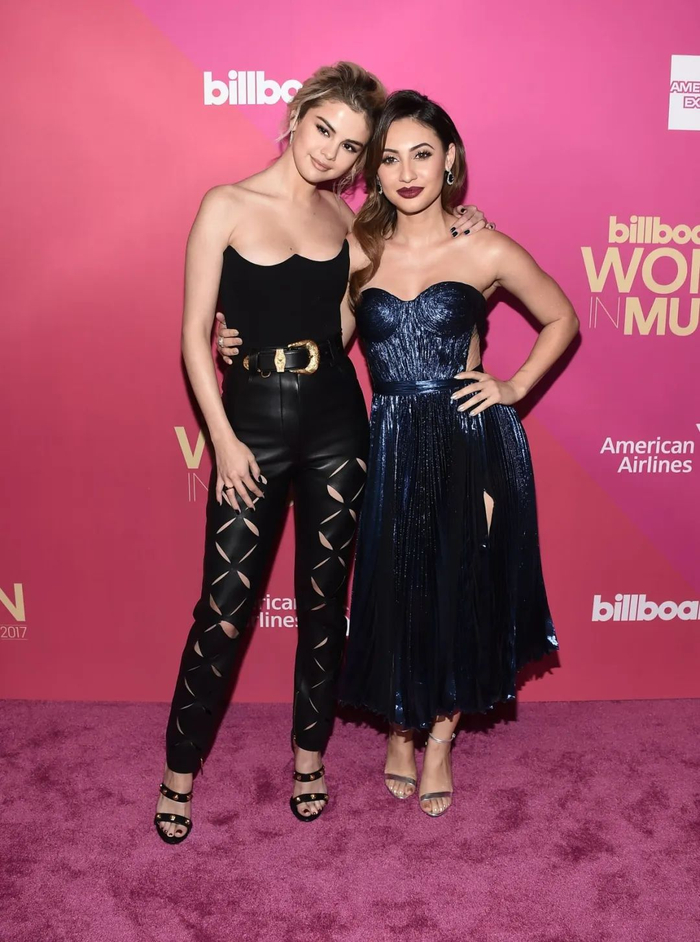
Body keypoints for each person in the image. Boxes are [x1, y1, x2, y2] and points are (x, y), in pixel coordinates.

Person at [217, 90, 577, 820]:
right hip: (388, 442)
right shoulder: (361, 248)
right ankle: (400, 728)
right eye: (388, 158)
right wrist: (237, 338)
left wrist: (511, 387)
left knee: (459, 586)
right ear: (373, 171)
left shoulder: (485, 247)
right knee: (398, 586)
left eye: (422, 155)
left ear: (450, 161)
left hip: (468, 438)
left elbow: (562, 317)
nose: (406, 173)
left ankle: (440, 736)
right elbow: (320, 336)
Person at [155, 64, 487, 844]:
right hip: (249, 426)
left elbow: (361, 314)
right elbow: (194, 338)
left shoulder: (350, 222)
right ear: (297, 115)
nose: (331, 153)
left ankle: (310, 759)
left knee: (322, 607)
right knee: (223, 610)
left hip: (337, 421)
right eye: (324, 130)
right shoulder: (225, 204)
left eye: (350, 147)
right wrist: (224, 439)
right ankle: (178, 773)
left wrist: (468, 223)